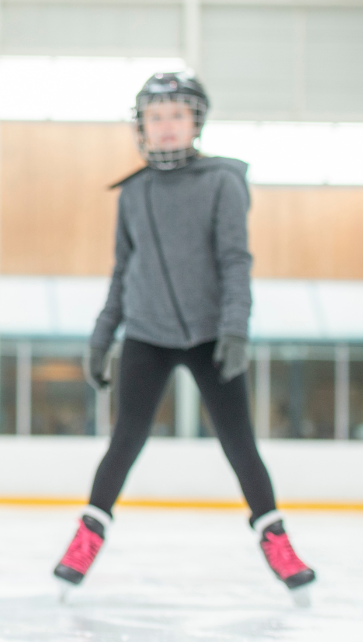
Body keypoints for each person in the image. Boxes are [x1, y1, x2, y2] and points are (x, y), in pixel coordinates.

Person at [52, 72, 316, 605]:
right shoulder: (134, 193)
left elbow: (235, 260)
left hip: (210, 336)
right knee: (125, 440)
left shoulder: (223, 182)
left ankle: (276, 541)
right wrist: (102, 337)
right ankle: (86, 538)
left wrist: (235, 328)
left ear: (195, 121)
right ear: (142, 128)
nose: (166, 126)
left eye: (177, 115)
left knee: (239, 441)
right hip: (147, 334)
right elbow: (123, 270)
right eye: (155, 117)